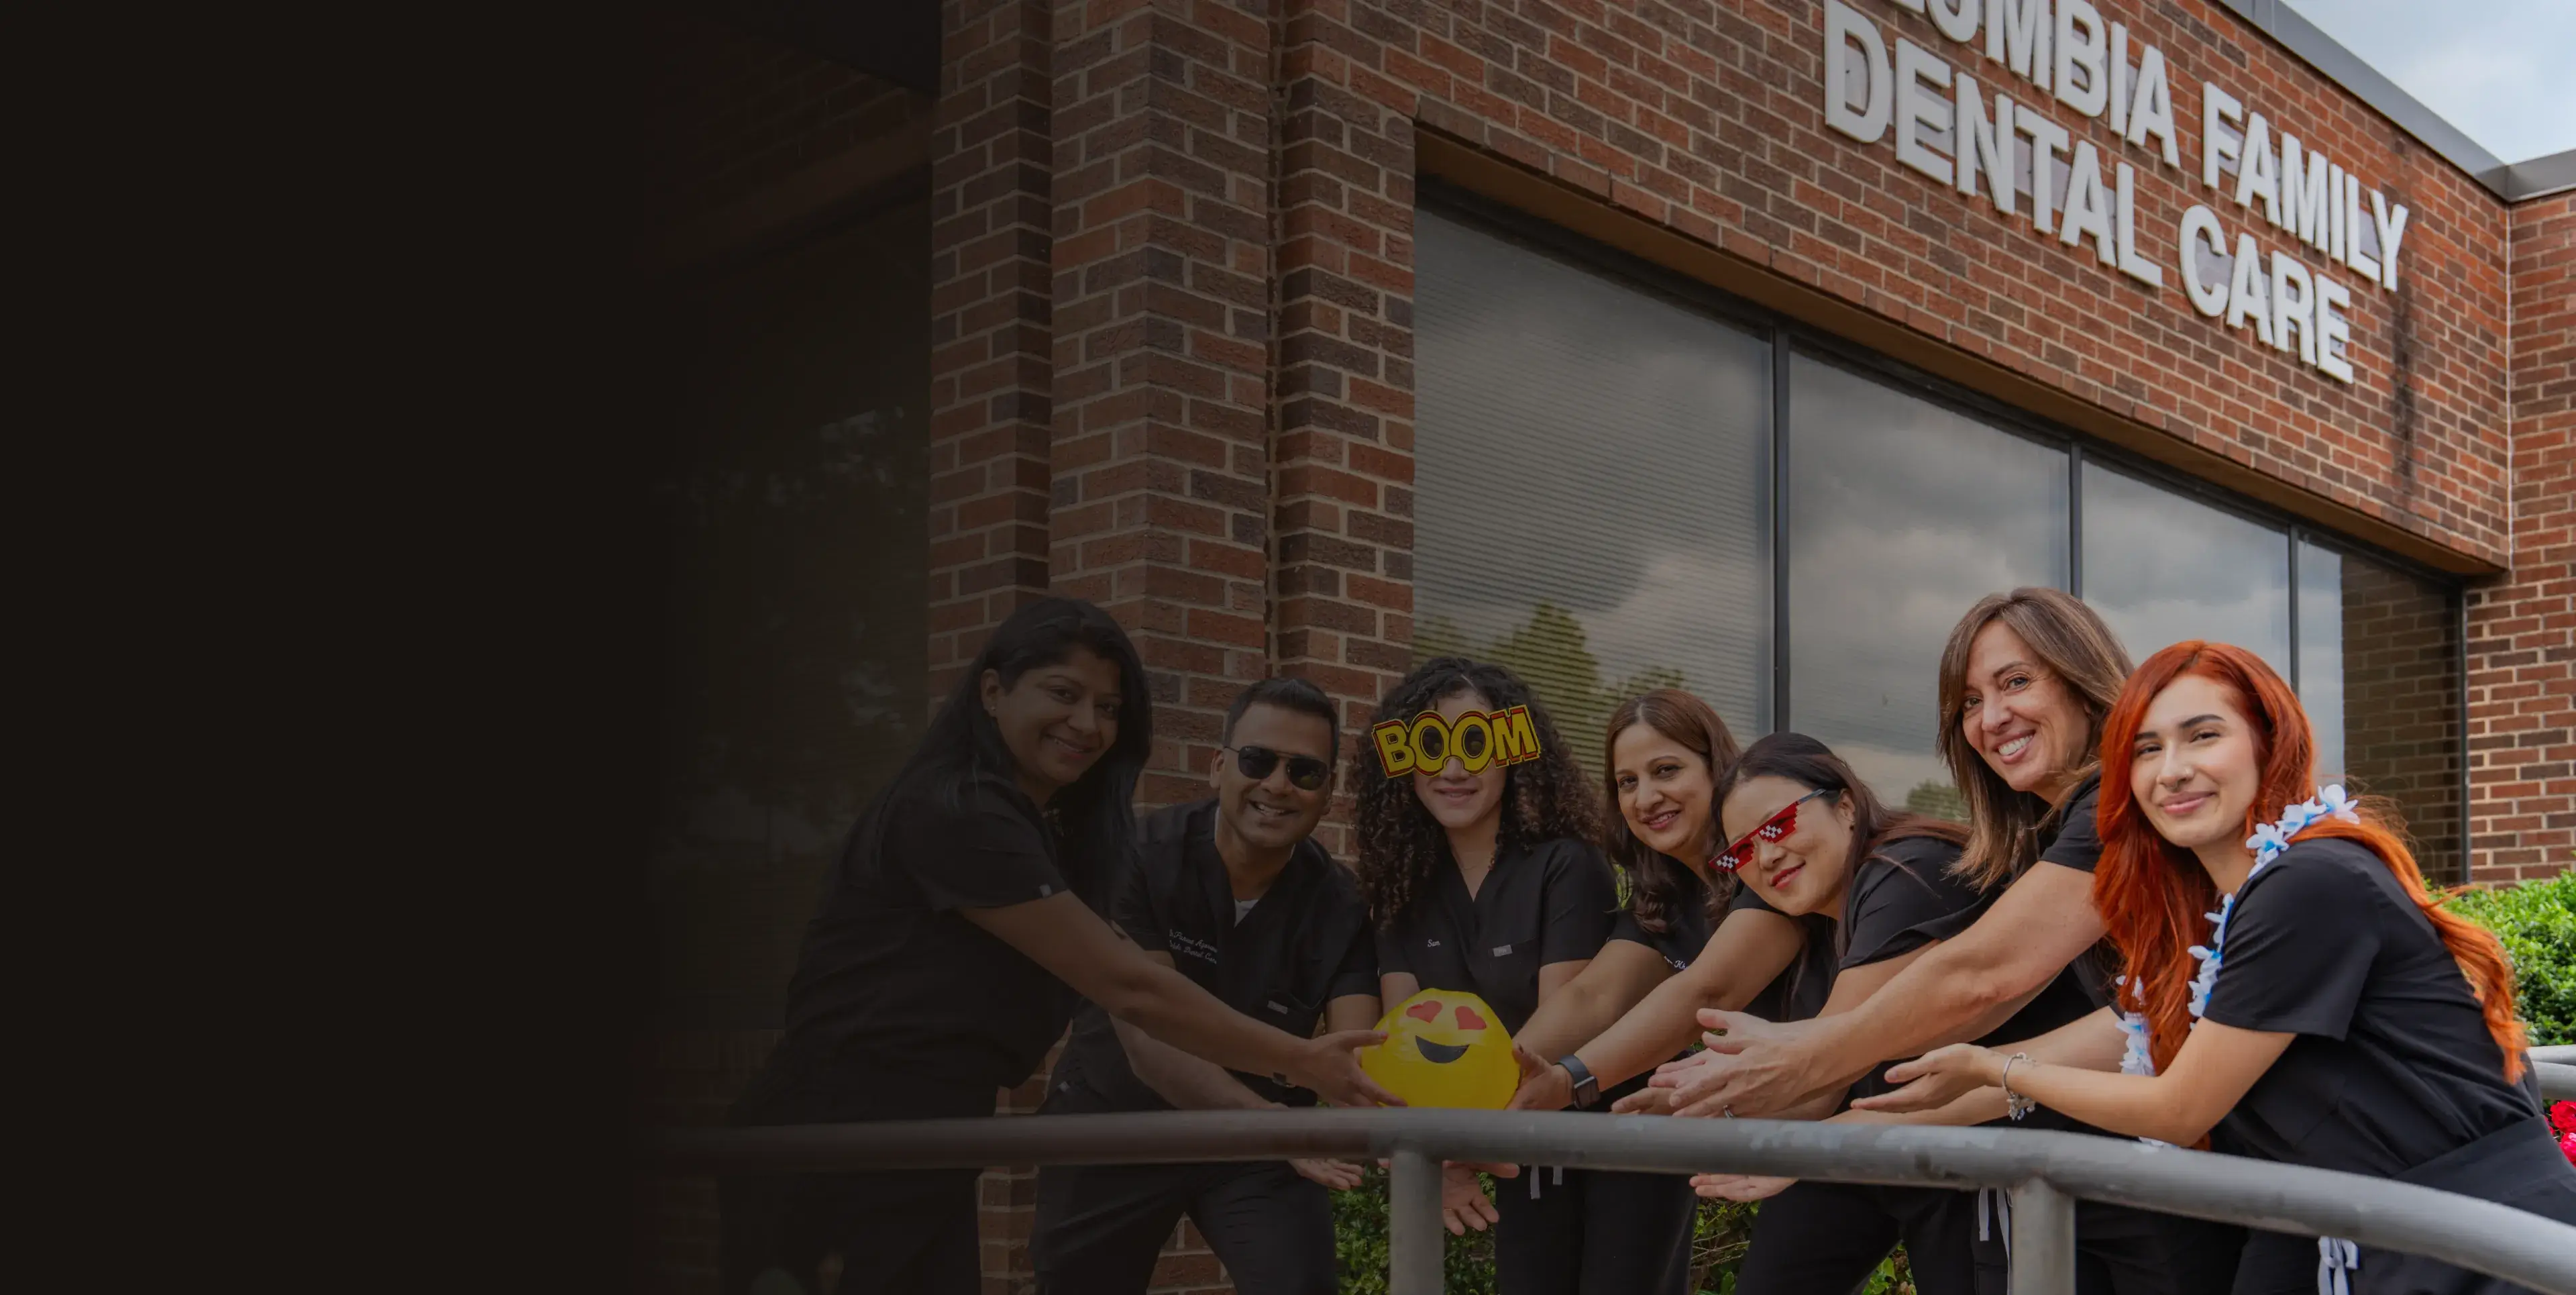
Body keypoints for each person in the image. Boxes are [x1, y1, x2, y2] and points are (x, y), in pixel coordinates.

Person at [1862, 641, 2576, 1295]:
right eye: (2145, 748)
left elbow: (2179, 1108)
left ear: (2271, 743)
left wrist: (1999, 1072)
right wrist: (1849, 1130)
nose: (2172, 769)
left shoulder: (2311, 882)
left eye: (2203, 735)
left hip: (2492, 1247)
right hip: (2378, 1237)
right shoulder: (2217, 924)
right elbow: (2104, 1054)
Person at [724, 599, 1393, 1295]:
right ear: (992, 691)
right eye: (1064, 694)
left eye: (1108, 707)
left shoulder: (1045, 840)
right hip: (841, 1138)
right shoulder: (960, 813)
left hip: (928, 1137)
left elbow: (1128, 973)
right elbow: (1132, 991)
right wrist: (1299, 1064)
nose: (1088, 724)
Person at [1650, 587, 2238, 1293]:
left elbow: (1983, 976)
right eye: (1968, 702)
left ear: (2082, 677)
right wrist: (1823, 1137)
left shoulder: (2107, 802)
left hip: (2185, 1180)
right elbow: (2108, 1034)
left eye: (2016, 681)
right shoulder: (2038, 839)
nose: (1992, 717)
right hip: (2107, 1183)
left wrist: (1802, 1057)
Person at [1029, 678, 1379, 1295]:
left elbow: (1361, 1052)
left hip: (1260, 1150)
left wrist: (1418, 1127)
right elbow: (1151, 1043)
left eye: (1304, 771)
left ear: (1328, 794)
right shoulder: (1134, 856)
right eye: (1257, 760)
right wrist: (1272, 1123)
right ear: (1219, 767)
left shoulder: (1341, 906)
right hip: (1119, 1120)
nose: (1277, 785)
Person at [1356, 658, 1687, 1294]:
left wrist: (1461, 1140)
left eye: (1476, 743)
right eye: (1432, 744)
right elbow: (1400, 1052)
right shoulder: (1401, 889)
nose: (1454, 769)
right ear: (1401, 759)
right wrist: (1439, 1154)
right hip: (1516, 1137)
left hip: (1612, 1131)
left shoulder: (1568, 864)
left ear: (1514, 753)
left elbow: (1562, 1022)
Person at [1678, 732, 2049, 1295]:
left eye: (1776, 825)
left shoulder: (1910, 870)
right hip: (1863, 1138)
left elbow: (1823, 1070)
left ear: (1846, 806)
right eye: (1742, 851)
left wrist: (1695, 1107)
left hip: (1972, 1141)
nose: (1766, 855)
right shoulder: (1805, 918)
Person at [1503, 689, 1830, 1119]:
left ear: (1716, 769)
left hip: (1880, 1122)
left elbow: (1709, 988)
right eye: (1628, 783)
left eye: (1666, 771)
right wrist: (1493, 1083)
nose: (1646, 798)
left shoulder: (1766, 864)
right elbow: (1593, 997)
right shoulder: (1666, 898)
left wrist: (1571, 1081)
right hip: (1787, 1138)